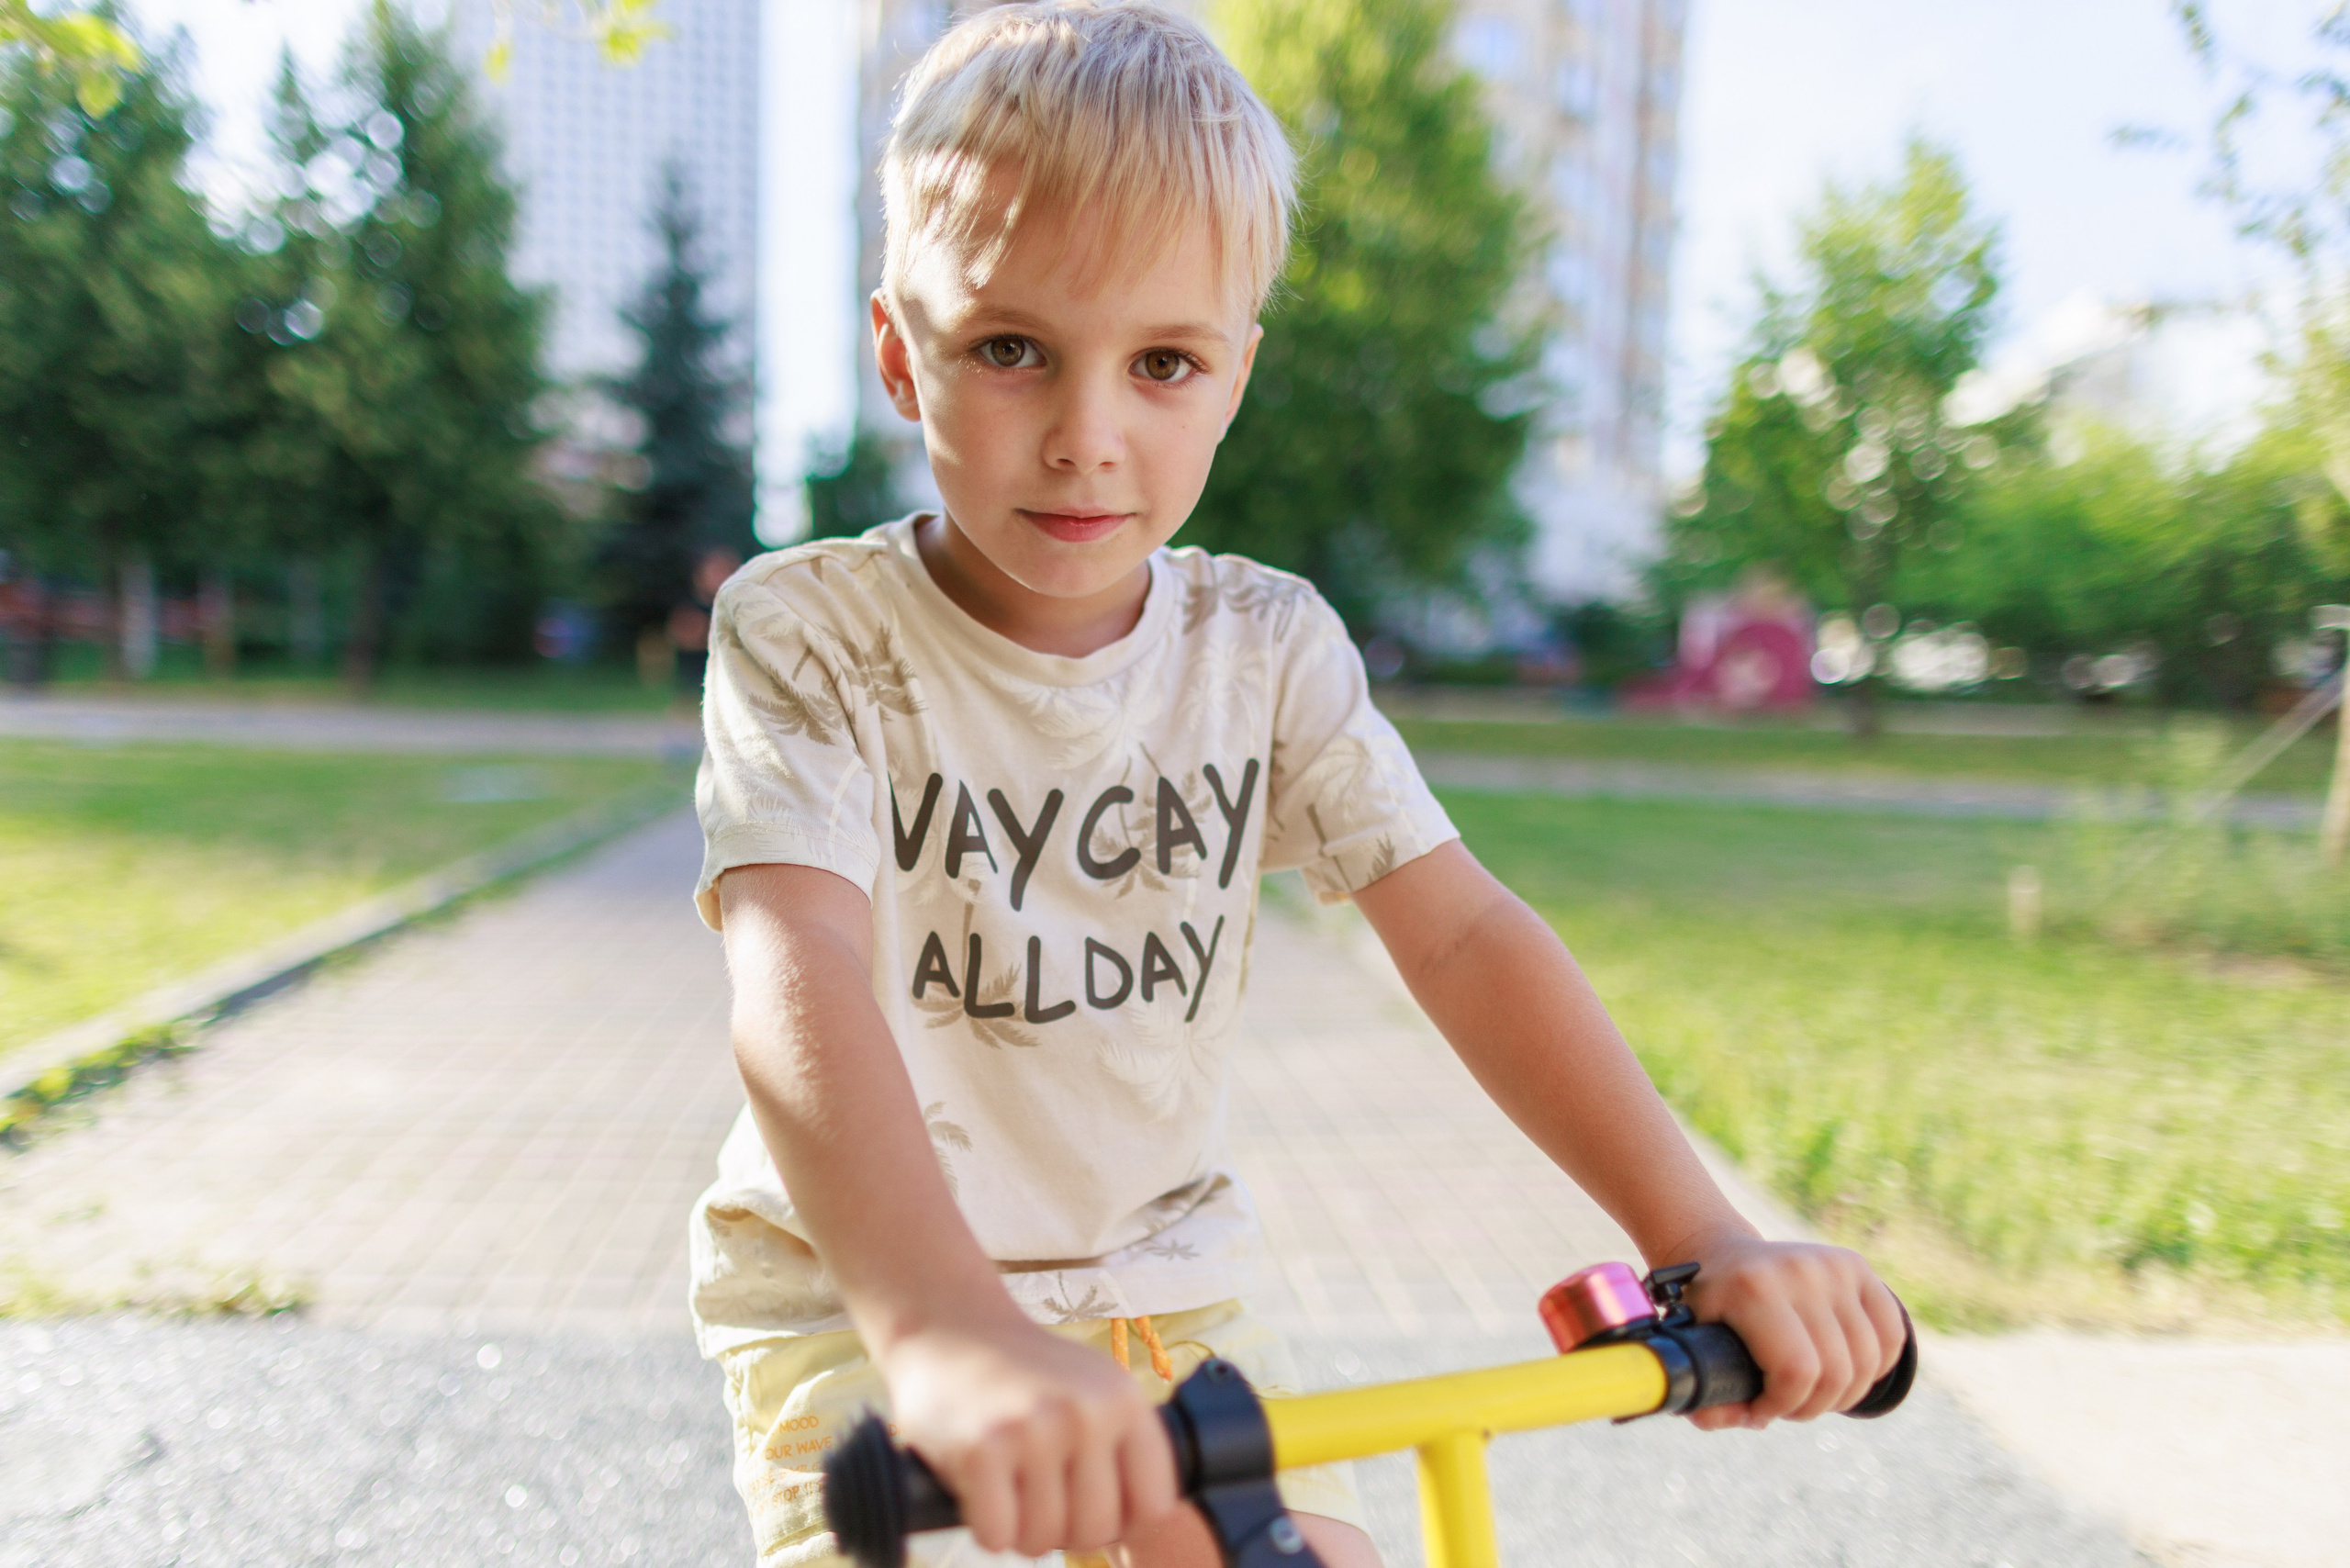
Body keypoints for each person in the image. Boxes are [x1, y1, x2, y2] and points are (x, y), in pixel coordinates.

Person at [688, 5, 1908, 1565]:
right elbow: (796, 971)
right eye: (1010, 350)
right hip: (876, 1295)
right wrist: (940, 1328)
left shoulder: (1263, 650)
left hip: (1169, 1293)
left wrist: (1704, 1234)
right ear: (897, 356)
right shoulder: (814, 633)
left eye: (1164, 363)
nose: (1087, 436)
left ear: (1237, 374)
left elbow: (1460, 935)